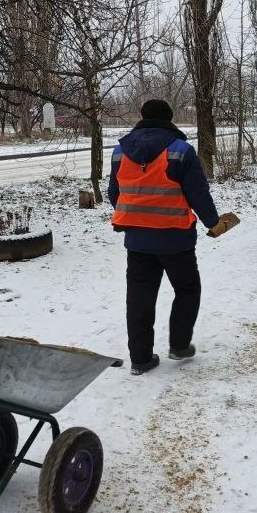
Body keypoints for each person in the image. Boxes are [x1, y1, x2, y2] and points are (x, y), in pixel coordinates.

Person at [108, 99, 221, 375]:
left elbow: (115, 193)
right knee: (187, 289)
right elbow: (198, 193)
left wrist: (135, 216)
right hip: (176, 240)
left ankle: (140, 359)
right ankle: (179, 345)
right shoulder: (180, 150)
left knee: (139, 298)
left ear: (143, 116)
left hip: (137, 242)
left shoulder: (120, 151)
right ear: (170, 119)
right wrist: (214, 223)